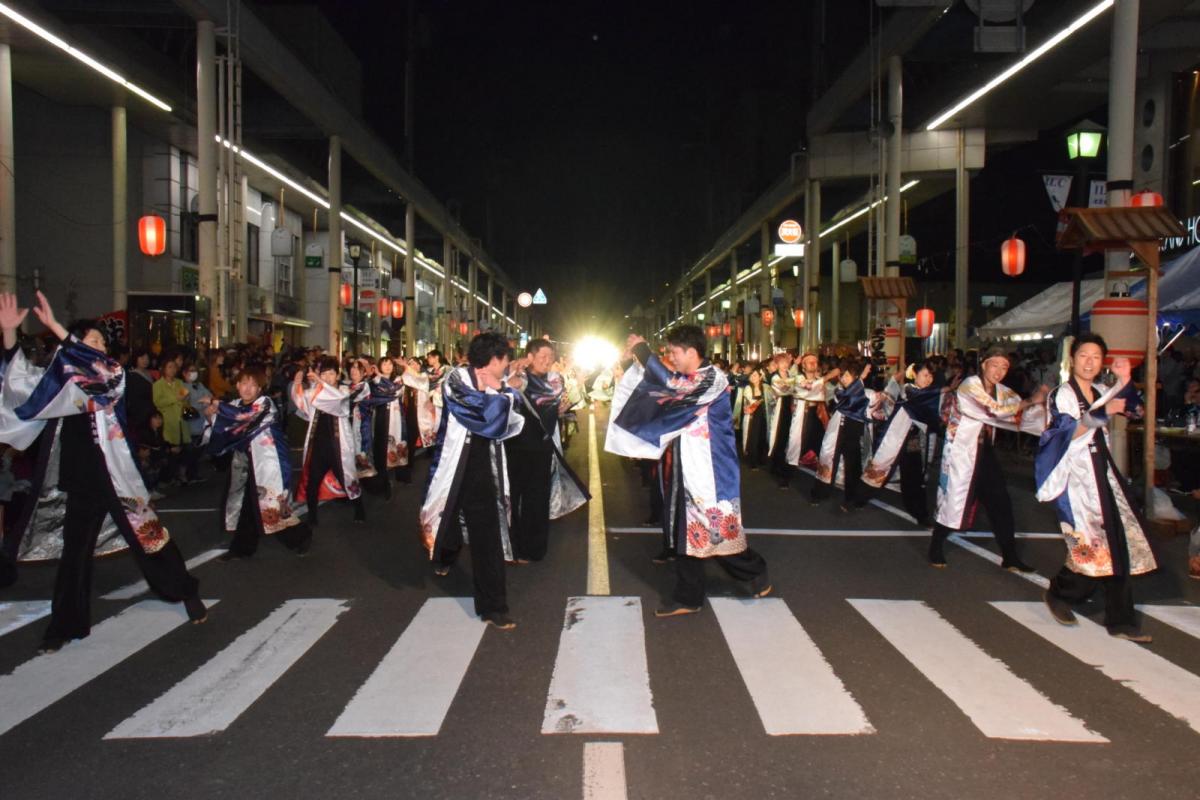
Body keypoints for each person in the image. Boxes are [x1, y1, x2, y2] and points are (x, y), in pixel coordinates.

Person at [0, 292, 206, 653]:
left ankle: (185, 591)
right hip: (80, 477)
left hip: (117, 475)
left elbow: (102, 373)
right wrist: (9, 335)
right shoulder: (59, 381)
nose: (97, 346)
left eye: (100, 342)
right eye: (89, 340)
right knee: (74, 554)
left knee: (149, 537)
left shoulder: (111, 374)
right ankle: (66, 624)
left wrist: (59, 331)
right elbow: (20, 386)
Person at [607, 325, 770, 617]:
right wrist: (636, 363)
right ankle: (689, 595)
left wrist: (644, 351)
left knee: (715, 531)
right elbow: (664, 386)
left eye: (673, 352)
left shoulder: (713, 380)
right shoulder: (693, 378)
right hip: (690, 466)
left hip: (711, 471)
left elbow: (671, 386)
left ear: (692, 352)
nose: (671, 357)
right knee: (689, 530)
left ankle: (753, 571)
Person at [1036, 335, 1156, 642]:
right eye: (1084, 356)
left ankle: (1122, 621)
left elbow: (1135, 410)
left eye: (1096, 357)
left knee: (1117, 544)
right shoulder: (1063, 395)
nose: (1089, 362)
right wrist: (1103, 413)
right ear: (1073, 360)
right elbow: (1065, 434)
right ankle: (1061, 592)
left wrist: (1126, 378)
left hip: (1103, 472)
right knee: (1089, 546)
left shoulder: (1101, 390)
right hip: (1077, 479)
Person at [419, 332, 524, 629]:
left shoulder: (496, 383)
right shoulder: (456, 379)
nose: (506, 367)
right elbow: (481, 411)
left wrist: (502, 389)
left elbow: (510, 412)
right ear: (493, 360)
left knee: (487, 536)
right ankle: (444, 555)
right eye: (504, 361)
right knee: (444, 524)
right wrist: (501, 391)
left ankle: (494, 606)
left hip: (482, 468)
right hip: (453, 470)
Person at [929, 347, 1047, 571]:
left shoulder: (1004, 392)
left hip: (986, 452)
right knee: (955, 501)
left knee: (1001, 503)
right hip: (962, 451)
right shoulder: (969, 385)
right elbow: (994, 411)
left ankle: (1010, 555)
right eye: (995, 365)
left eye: (1004, 367)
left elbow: (1019, 415)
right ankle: (936, 545)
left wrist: (1045, 409)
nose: (999, 371)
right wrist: (1031, 400)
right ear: (984, 364)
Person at [207, 365, 311, 560]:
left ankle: (300, 536)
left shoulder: (265, 404)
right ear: (237, 385)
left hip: (268, 462)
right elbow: (223, 428)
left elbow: (246, 418)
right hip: (245, 463)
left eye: (253, 385)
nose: (247, 388)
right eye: (244, 383)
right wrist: (210, 414)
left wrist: (217, 405)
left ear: (260, 389)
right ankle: (242, 548)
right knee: (249, 505)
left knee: (270, 505)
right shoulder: (235, 404)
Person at [505, 340, 589, 563]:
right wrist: (512, 370)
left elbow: (554, 403)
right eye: (542, 356)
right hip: (515, 447)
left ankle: (533, 549)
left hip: (541, 448)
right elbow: (500, 391)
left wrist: (561, 408)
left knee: (537, 501)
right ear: (530, 356)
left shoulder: (554, 380)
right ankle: (510, 546)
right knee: (511, 499)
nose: (547, 361)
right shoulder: (517, 377)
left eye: (550, 357)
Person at [862, 360, 947, 525]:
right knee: (879, 469)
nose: (928, 379)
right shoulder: (908, 389)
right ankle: (859, 497)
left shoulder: (931, 394)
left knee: (914, 478)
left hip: (913, 442)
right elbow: (912, 398)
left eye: (931, 376)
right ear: (915, 374)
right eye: (925, 375)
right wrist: (946, 389)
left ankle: (921, 514)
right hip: (896, 436)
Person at [291, 356, 366, 525]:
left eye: (331, 373)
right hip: (318, 444)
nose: (327, 377)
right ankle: (312, 516)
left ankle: (359, 508)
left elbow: (337, 401)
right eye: (324, 374)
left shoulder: (343, 391)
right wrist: (297, 384)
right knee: (312, 481)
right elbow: (300, 402)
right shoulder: (314, 391)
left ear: (338, 375)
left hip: (338, 446)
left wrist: (319, 381)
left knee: (347, 478)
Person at [810, 362, 872, 512]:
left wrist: (861, 380)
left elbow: (860, 398)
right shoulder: (839, 391)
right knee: (827, 459)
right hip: (836, 430)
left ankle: (851, 499)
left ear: (855, 377)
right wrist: (860, 379)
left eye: (847, 376)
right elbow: (847, 396)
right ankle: (819, 492)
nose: (843, 379)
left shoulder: (864, 392)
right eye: (842, 375)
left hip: (852, 431)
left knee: (853, 465)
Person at [785, 353, 837, 469]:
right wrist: (827, 377)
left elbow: (829, 394)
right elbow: (808, 388)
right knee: (798, 442)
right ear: (803, 366)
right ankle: (786, 473)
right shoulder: (799, 378)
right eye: (810, 362)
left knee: (821, 441)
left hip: (817, 413)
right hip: (804, 413)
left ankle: (823, 472)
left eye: (815, 362)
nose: (813, 364)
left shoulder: (820, 379)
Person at [766, 351, 796, 488]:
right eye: (782, 362)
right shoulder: (774, 376)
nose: (785, 365)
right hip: (780, 409)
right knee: (779, 437)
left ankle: (780, 464)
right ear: (777, 364)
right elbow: (783, 389)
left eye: (786, 362)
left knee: (788, 437)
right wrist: (793, 386)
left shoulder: (790, 375)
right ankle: (777, 465)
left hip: (790, 408)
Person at [739, 366, 769, 469]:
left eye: (755, 375)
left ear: (761, 377)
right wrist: (758, 402)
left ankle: (761, 458)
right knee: (753, 437)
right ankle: (752, 461)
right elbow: (750, 400)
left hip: (763, 414)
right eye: (751, 375)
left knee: (762, 436)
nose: (752, 377)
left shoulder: (765, 387)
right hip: (752, 415)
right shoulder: (748, 387)